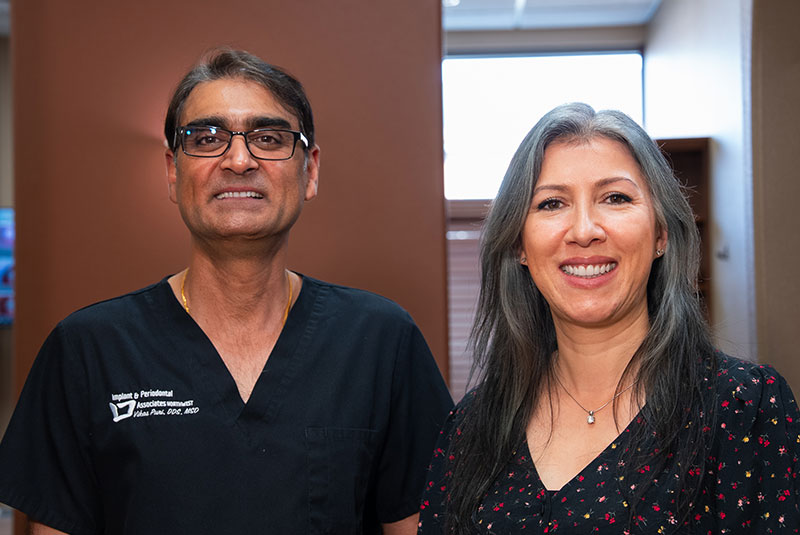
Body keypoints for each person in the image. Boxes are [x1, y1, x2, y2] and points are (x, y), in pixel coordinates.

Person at [0, 49, 453, 534]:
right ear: (174, 171)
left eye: (269, 138)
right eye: (207, 138)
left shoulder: (380, 340)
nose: (239, 160)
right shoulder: (90, 349)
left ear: (311, 171)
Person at [418, 103, 800, 534]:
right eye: (551, 203)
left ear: (661, 234)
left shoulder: (745, 408)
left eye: (615, 198)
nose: (584, 230)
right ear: (518, 245)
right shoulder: (469, 430)